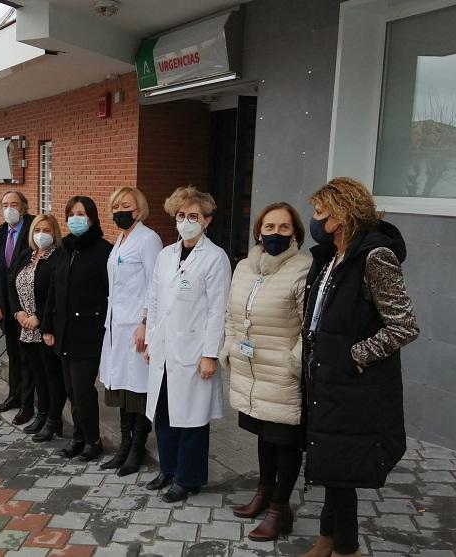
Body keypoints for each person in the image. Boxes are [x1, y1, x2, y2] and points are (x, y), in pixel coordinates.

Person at [300, 178, 419, 557]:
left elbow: (404, 326)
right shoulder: (330, 255)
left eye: (320, 213)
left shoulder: (374, 256)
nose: (314, 220)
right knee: (334, 467)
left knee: (341, 467)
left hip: (352, 383)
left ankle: (347, 550)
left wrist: (355, 356)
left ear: (342, 214)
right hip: (326, 379)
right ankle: (327, 542)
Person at [219, 202, 311, 541]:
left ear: (295, 234)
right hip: (251, 371)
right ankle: (263, 492)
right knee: (264, 436)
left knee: (285, 442)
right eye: (269, 227)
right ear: (258, 231)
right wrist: (229, 346)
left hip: (282, 373)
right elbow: (231, 314)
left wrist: (294, 362)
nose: (275, 233)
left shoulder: (303, 268)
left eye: (284, 228)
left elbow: (309, 327)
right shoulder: (244, 266)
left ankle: (279, 509)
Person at [143, 186, 231, 503]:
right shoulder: (166, 255)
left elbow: (217, 309)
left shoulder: (215, 258)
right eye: (181, 215)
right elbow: (153, 302)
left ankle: (189, 478)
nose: (186, 221)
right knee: (164, 413)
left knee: (191, 419)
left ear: (206, 221)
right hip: (165, 349)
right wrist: (151, 340)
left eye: (193, 216)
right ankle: (168, 469)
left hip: (194, 353)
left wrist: (210, 355)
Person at [42, 196, 112, 461]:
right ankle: (79, 437)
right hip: (64, 331)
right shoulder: (64, 249)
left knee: (83, 390)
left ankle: (93, 441)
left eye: (81, 213)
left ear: (92, 218)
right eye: (71, 213)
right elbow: (53, 291)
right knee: (70, 389)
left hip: (88, 332)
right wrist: (48, 326)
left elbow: (110, 295)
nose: (75, 218)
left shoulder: (104, 251)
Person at [99, 187, 162, 476]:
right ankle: (123, 447)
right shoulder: (121, 239)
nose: (119, 210)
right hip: (116, 326)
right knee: (123, 389)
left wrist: (145, 324)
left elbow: (155, 286)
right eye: (115, 206)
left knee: (139, 390)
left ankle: (137, 449)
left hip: (136, 326)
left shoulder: (148, 239)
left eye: (125, 205)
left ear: (139, 209)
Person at [9, 214, 66, 439]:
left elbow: (57, 292)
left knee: (52, 376)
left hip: (45, 328)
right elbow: (11, 284)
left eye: (47, 229)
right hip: (25, 328)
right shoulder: (27, 255)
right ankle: (41, 415)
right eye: (37, 229)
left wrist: (39, 317)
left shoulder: (58, 258)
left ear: (55, 233)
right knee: (37, 375)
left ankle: (54, 420)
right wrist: (18, 312)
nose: (41, 234)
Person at [0, 191, 35, 418]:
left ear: (24, 207)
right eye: (5, 204)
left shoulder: (34, 229)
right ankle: (14, 396)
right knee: (14, 356)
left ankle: (28, 405)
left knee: (28, 358)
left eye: (14, 204)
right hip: (6, 308)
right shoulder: (0, 233)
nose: (10, 209)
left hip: (28, 308)